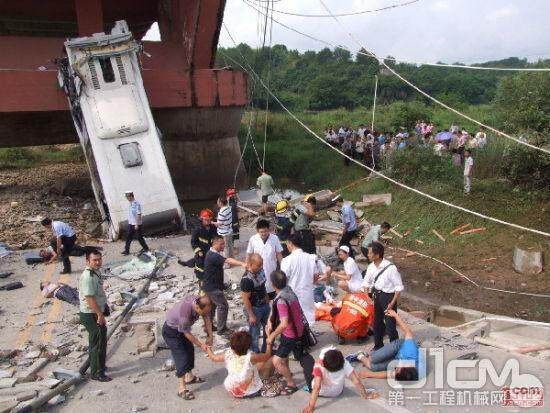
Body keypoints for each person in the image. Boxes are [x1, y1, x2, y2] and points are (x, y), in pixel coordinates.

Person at [266, 270, 315, 395]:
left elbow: (284, 323)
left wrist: (271, 335)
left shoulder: (281, 300)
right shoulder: (289, 290)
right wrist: (270, 320)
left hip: (290, 335)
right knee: (285, 356)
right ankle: (287, 372)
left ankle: (291, 384)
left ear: (273, 285)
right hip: (299, 330)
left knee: (276, 360)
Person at [163, 295, 213, 400]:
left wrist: (210, 336)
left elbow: (207, 317)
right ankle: (181, 388)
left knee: (190, 350)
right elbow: (187, 333)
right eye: (203, 312)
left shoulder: (201, 302)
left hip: (181, 329)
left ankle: (189, 377)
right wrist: (201, 345)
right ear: (198, 308)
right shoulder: (185, 314)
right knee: (181, 356)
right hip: (171, 332)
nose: (204, 314)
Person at [356, 309, 422, 382]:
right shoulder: (410, 351)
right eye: (397, 369)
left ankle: (360, 355)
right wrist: (395, 315)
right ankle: (371, 356)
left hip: (399, 358)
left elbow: (391, 374)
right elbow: (408, 331)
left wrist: (368, 374)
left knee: (373, 367)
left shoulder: (409, 375)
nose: (395, 369)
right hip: (399, 347)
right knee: (373, 359)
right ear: (406, 366)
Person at [206, 331, 277, 398]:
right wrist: (268, 343)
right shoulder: (251, 357)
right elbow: (267, 355)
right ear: (248, 346)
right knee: (269, 360)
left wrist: (208, 348)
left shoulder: (228, 354)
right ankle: (267, 378)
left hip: (231, 388)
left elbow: (213, 358)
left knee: (253, 365)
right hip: (248, 391)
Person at [361, 242, 404, 350]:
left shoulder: (390, 268)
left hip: (388, 297)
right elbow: (366, 282)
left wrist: (392, 303)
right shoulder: (371, 267)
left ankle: (395, 347)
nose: (368, 255)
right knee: (377, 323)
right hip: (377, 296)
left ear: (377, 255)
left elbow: (398, 288)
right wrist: (367, 296)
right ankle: (378, 345)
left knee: (390, 326)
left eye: (370, 253)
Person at [302, 347, 370, 413]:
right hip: (337, 392)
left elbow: (317, 387)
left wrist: (311, 406)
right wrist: (366, 395)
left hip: (320, 392)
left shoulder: (319, 365)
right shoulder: (344, 363)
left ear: (324, 362)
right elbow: (356, 381)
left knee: (307, 359)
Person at [78, 249, 111, 381]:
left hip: (95, 311)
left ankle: (98, 365)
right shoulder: (88, 277)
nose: (98, 262)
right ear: (88, 261)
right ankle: (97, 373)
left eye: (99, 259)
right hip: (91, 313)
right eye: (94, 260)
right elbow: (90, 298)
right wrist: (100, 315)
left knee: (98, 341)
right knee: (98, 343)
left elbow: (97, 294)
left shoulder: (95, 272)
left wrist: (104, 306)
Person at [203, 235, 246, 335]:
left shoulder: (211, 253)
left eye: (224, 243)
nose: (223, 246)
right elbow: (228, 260)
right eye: (221, 244)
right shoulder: (213, 255)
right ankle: (221, 329)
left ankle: (208, 327)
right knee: (223, 306)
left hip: (210, 286)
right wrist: (241, 263)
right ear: (215, 244)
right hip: (213, 288)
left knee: (212, 307)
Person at [280, 233, 318, 326]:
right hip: (307, 293)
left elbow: (283, 279)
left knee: (294, 320)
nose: (287, 246)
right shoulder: (310, 258)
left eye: (287, 244)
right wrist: (309, 284)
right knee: (308, 319)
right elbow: (316, 275)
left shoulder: (286, 260)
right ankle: (308, 338)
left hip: (292, 295)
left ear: (290, 243)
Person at [246, 219, 283, 298]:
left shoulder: (275, 238)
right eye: (261, 232)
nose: (263, 234)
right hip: (257, 271)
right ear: (257, 231)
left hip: (271, 269)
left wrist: (283, 267)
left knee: (272, 291)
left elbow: (279, 254)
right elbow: (249, 254)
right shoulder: (253, 239)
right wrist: (248, 267)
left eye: (265, 231)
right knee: (259, 292)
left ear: (269, 230)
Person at [178, 209, 217, 285]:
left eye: (209, 220)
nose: (208, 222)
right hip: (201, 252)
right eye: (206, 220)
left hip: (211, 251)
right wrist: (198, 251)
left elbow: (216, 237)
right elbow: (193, 242)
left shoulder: (213, 228)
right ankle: (201, 282)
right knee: (200, 267)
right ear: (202, 219)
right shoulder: (197, 229)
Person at [241, 254, 271, 353]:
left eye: (261, 265)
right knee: (255, 333)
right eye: (258, 265)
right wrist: (251, 315)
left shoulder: (260, 271)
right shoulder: (246, 280)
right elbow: (245, 299)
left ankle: (266, 350)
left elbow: (263, 286)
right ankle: (255, 352)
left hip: (264, 305)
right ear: (251, 264)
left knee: (268, 328)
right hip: (255, 308)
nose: (261, 267)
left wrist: (267, 299)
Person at [122, 191, 149, 255]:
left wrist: (136, 224)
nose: (127, 198)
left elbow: (139, 214)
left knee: (139, 237)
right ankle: (126, 251)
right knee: (128, 237)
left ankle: (146, 248)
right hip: (131, 223)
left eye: (127, 197)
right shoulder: (130, 203)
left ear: (131, 196)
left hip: (136, 224)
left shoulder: (136, 204)